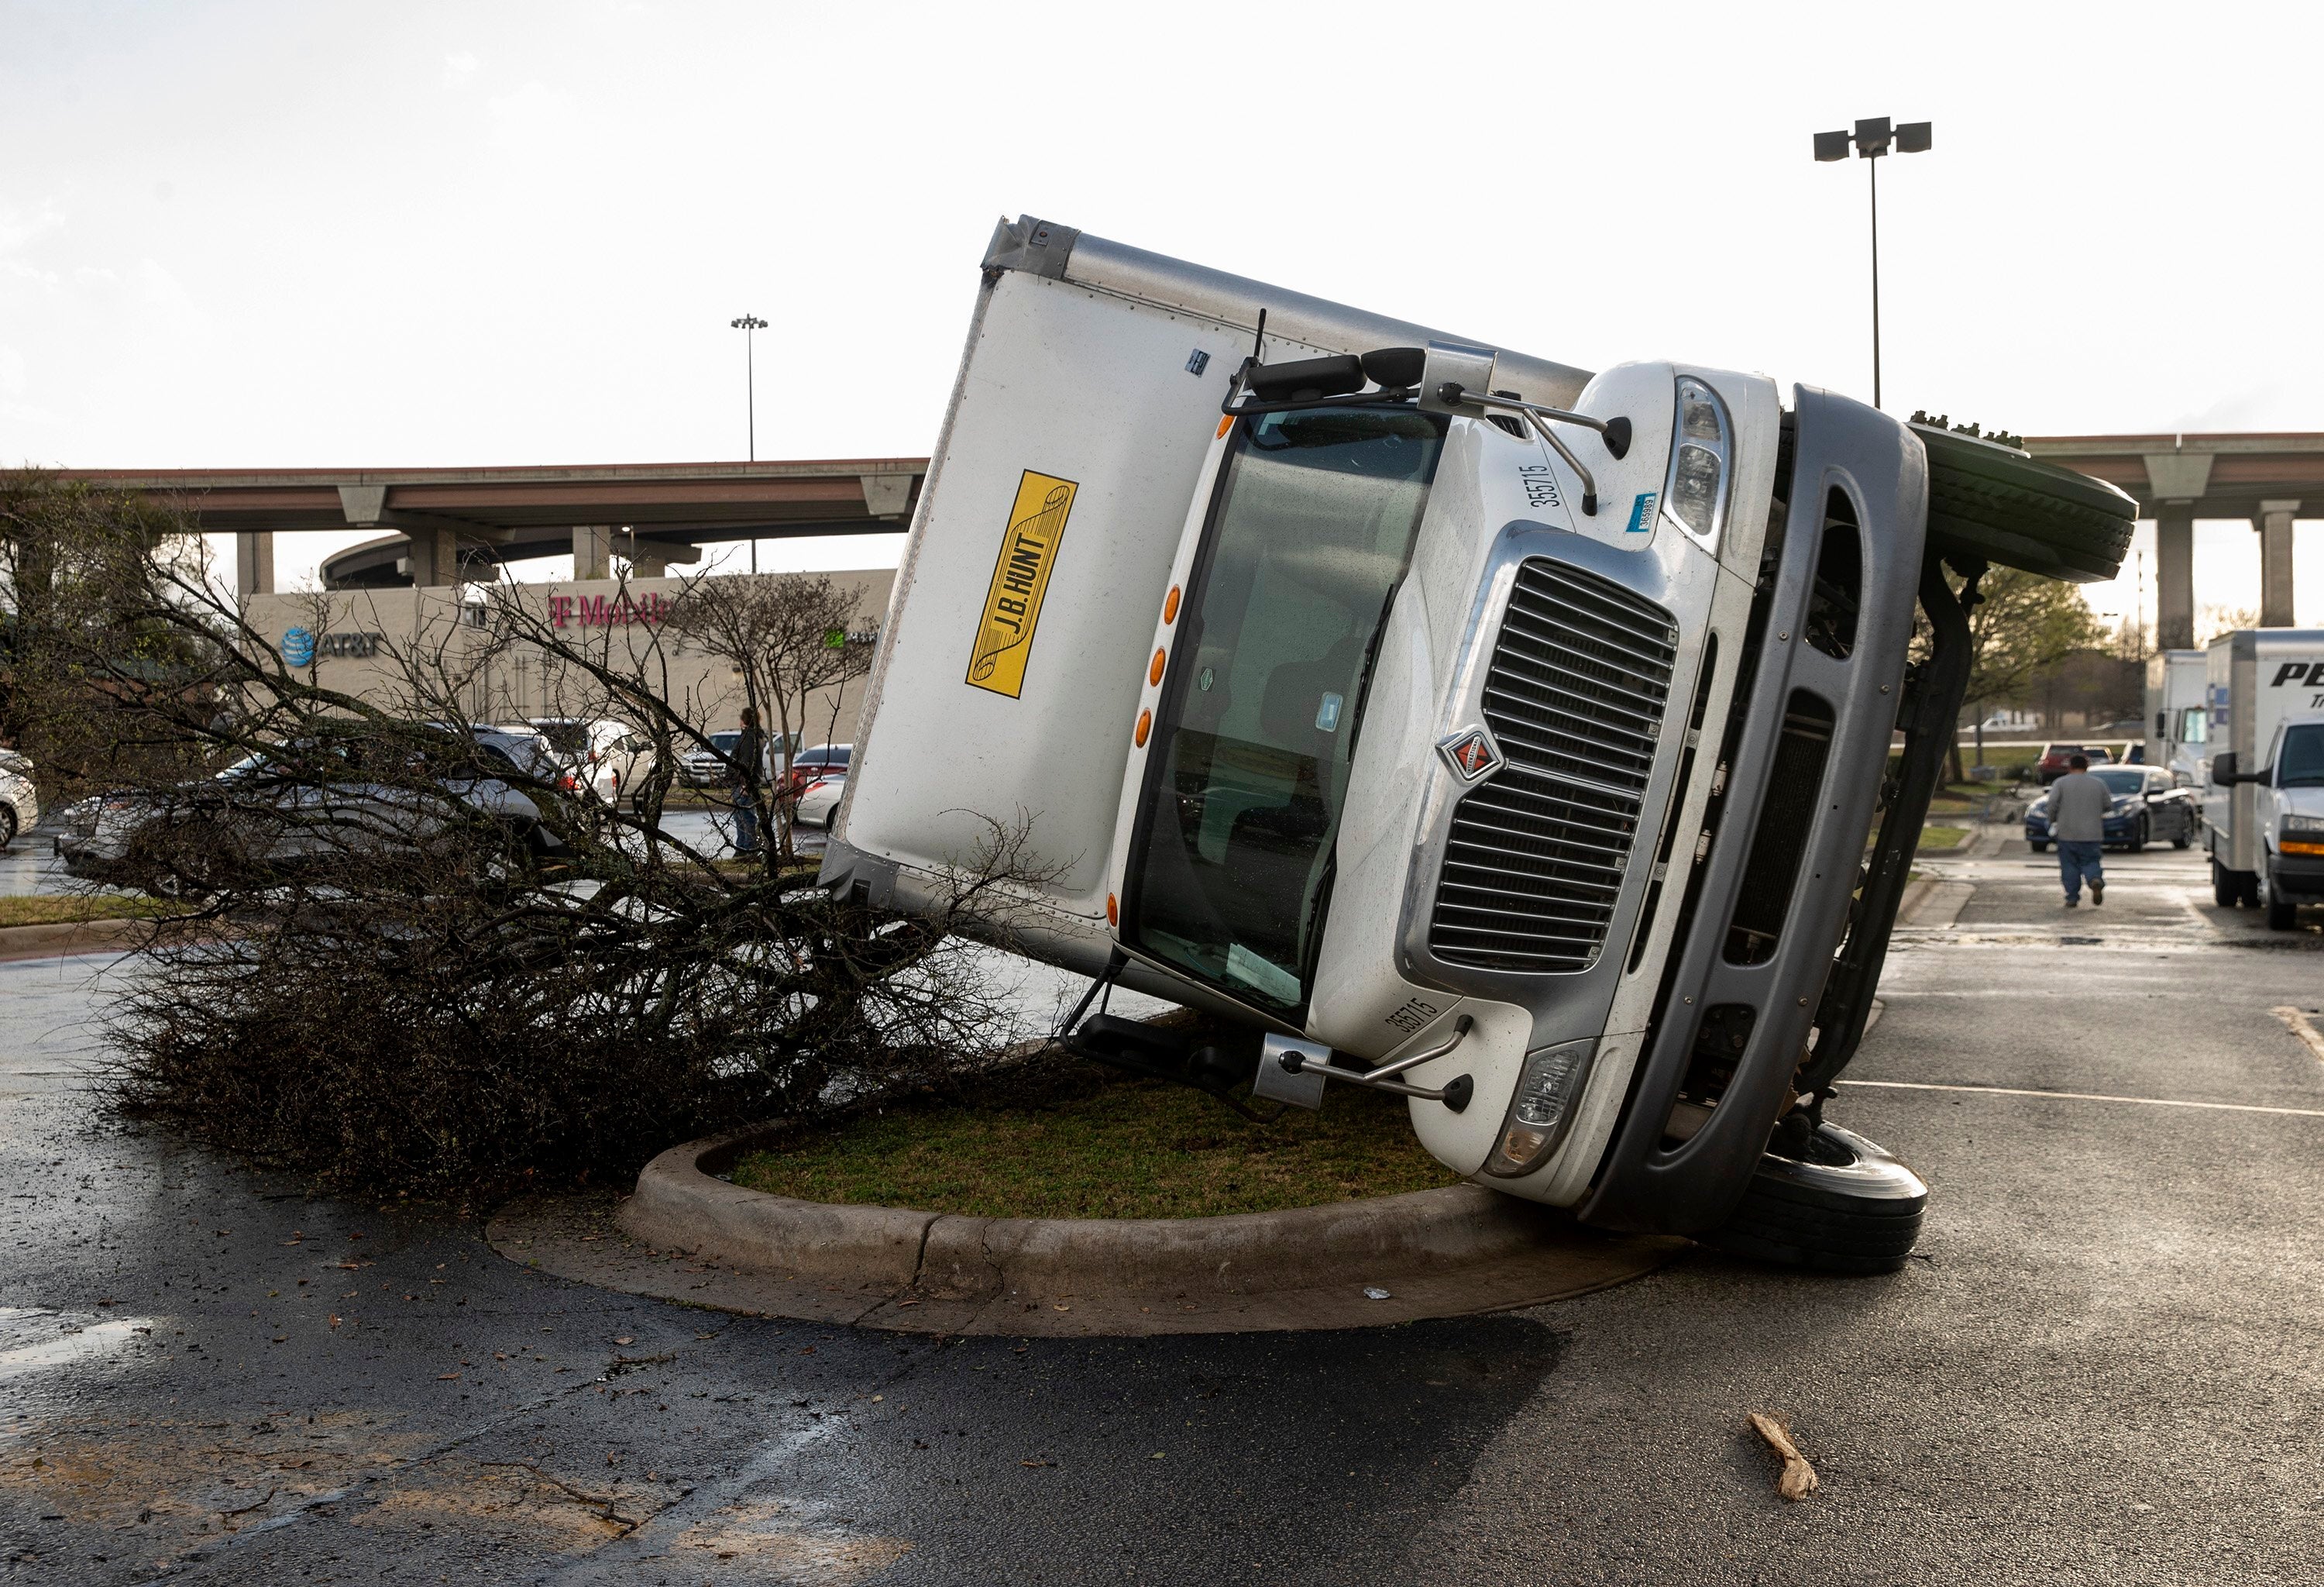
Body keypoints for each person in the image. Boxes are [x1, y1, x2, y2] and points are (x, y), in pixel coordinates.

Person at [2048, 752, 2108, 907]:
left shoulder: (2060, 783)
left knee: (2069, 865)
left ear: (2070, 766)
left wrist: (2053, 820)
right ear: (2087, 766)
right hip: (2092, 834)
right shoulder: (2098, 784)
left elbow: (2052, 804)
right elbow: (2108, 805)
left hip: (2067, 832)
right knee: (2091, 861)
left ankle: (2072, 897)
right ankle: (2094, 879)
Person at [730, 705, 766, 856]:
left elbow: (746, 761)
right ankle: (743, 847)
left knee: (745, 816)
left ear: (744, 720)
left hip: (744, 784)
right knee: (742, 816)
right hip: (747, 782)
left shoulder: (748, 738)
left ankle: (746, 848)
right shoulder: (756, 736)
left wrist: (744, 784)